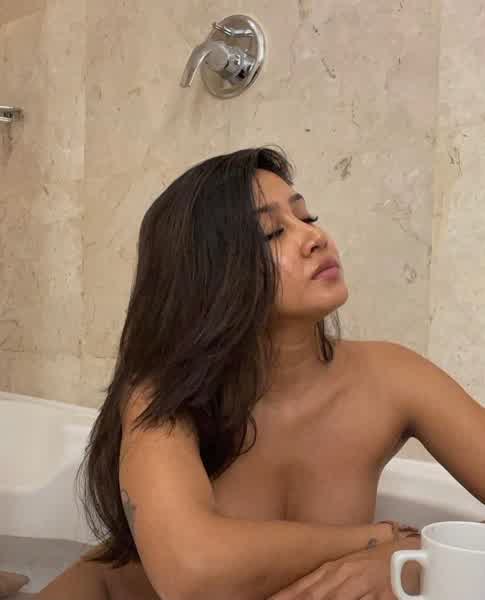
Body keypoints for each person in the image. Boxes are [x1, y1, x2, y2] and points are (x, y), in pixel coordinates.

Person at [28, 146, 484, 599]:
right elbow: (193, 572)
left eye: (306, 216)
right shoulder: (164, 397)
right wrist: (377, 540)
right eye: (272, 233)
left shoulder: (391, 379)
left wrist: (412, 558)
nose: (314, 236)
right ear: (209, 274)